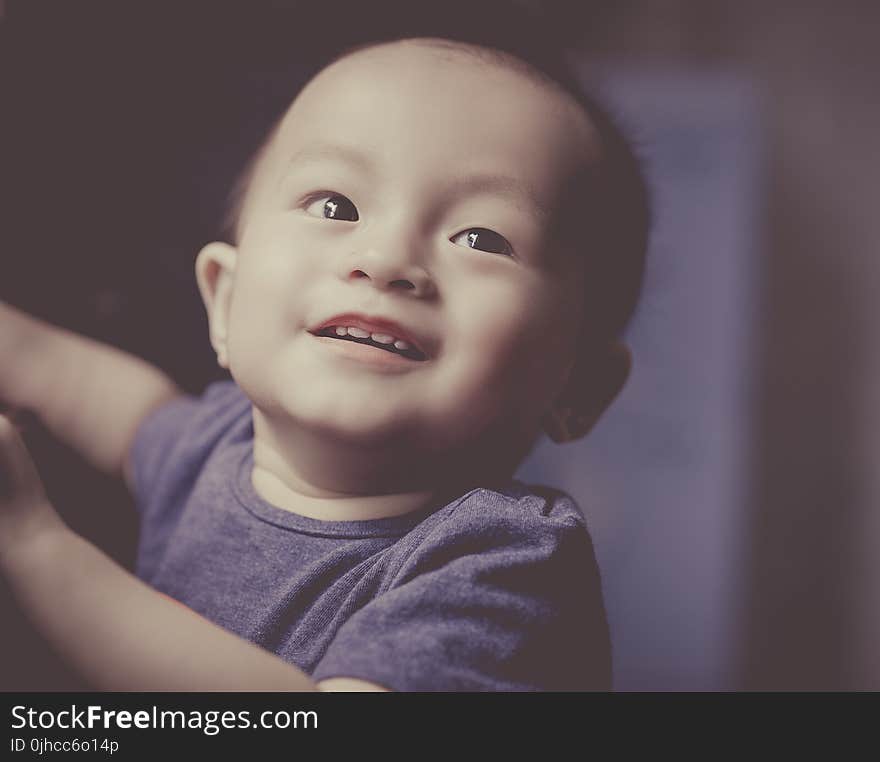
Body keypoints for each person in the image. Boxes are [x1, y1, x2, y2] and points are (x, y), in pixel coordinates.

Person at [0, 13, 649, 691]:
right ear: (224, 300)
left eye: (482, 238)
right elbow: (76, 382)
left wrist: (36, 548)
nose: (386, 258)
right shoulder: (213, 448)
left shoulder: (501, 562)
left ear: (578, 386)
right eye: (335, 205)